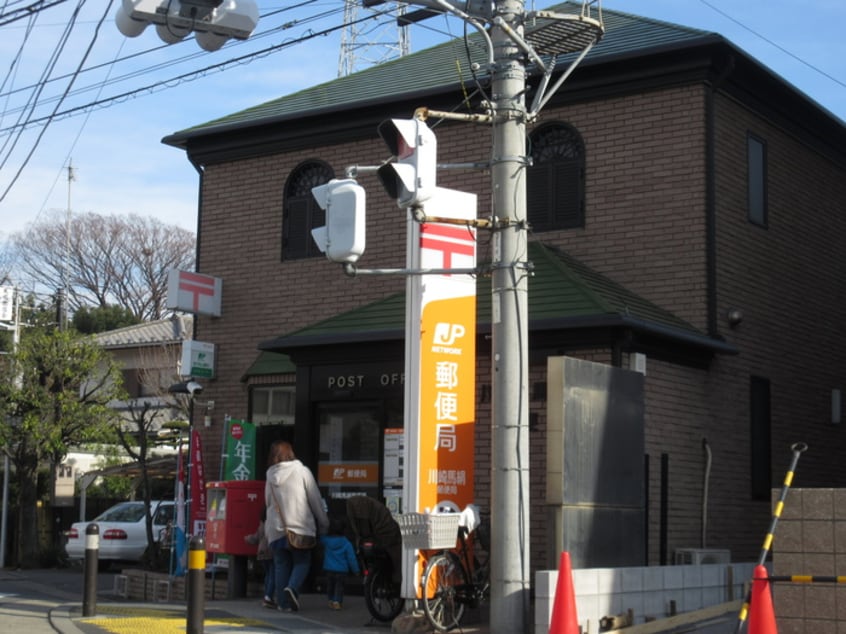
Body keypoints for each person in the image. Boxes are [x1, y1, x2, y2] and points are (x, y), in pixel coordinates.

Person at [265, 440, 329, 612]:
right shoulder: (302, 471)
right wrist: (323, 522)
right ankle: (292, 588)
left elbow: (268, 502)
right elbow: (315, 499)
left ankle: (283, 604)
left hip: (276, 529)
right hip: (299, 527)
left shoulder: (270, 475)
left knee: (281, 565)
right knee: (302, 562)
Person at [320, 516, 360, 610]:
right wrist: (356, 570)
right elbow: (351, 558)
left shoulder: (326, 540)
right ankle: (337, 601)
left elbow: (319, 538)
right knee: (339, 586)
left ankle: (330, 600)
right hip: (342, 570)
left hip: (329, 569)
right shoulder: (347, 543)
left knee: (330, 585)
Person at [244, 507, 275, 608]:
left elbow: (255, 538)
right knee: (272, 574)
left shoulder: (261, 526)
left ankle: (266, 594)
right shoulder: (273, 524)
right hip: (271, 551)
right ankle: (268, 596)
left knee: (268, 574)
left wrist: (247, 538)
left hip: (261, 552)